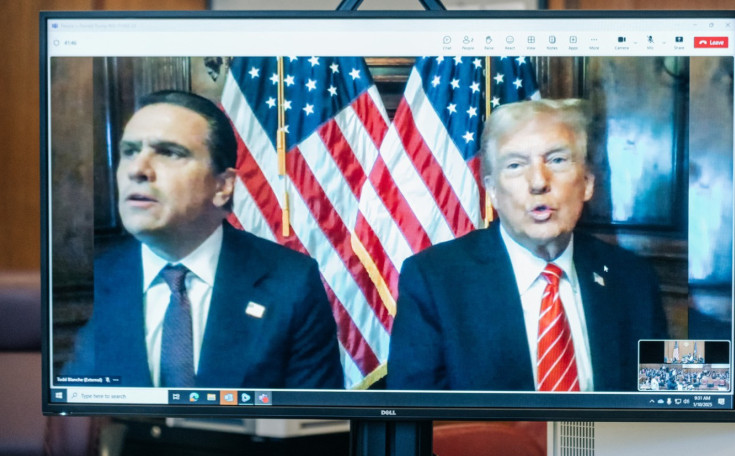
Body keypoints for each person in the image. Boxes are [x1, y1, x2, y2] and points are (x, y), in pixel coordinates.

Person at [64, 90, 343, 389]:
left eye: (169, 153)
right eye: (130, 151)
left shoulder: (291, 282)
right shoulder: (97, 280)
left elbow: (313, 414)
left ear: (223, 186)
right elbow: (74, 408)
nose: (137, 170)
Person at [386, 99, 668, 392]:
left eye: (557, 160)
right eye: (515, 165)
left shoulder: (633, 277)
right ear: (492, 190)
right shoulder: (434, 280)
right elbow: (413, 411)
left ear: (586, 183)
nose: (538, 182)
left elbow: (667, 398)